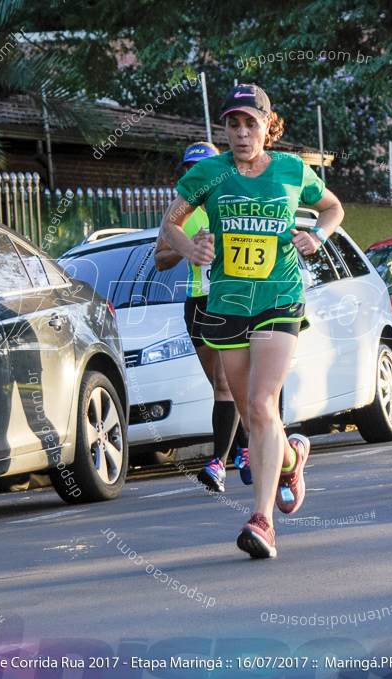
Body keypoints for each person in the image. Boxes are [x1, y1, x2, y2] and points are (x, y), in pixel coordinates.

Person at [159, 84, 344, 558]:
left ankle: (262, 521)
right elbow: (171, 225)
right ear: (225, 129)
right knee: (250, 411)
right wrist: (190, 247)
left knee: (262, 404)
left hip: (279, 297)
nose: (242, 133)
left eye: (251, 123)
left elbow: (332, 207)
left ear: (268, 125)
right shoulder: (208, 174)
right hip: (226, 302)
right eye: (233, 125)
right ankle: (292, 457)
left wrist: (317, 236)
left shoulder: (291, 170)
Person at [154, 142, 249, 494]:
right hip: (198, 303)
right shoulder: (180, 212)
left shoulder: (233, 202)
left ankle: (217, 463)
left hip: (231, 300)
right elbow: (159, 259)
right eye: (190, 169)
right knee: (222, 386)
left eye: (202, 168)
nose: (197, 176)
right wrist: (187, 249)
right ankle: (245, 450)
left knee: (227, 384)